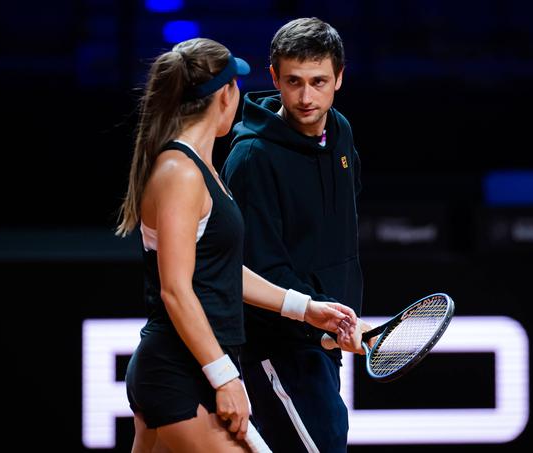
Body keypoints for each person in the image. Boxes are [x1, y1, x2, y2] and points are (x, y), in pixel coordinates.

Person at [115, 37, 358, 453]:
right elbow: (176, 289)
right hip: (177, 372)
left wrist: (306, 308)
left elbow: (221, 270)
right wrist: (225, 376)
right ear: (225, 94)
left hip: (183, 369)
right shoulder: (181, 172)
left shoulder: (198, 165)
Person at [220, 18, 371, 452]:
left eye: (319, 81)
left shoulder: (340, 130)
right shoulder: (251, 158)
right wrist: (321, 324)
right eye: (294, 82)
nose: (306, 97)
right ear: (274, 78)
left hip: (324, 342)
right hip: (278, 349)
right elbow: (258, 270)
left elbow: (339, 236)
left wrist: (338, 323)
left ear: (339, 78)